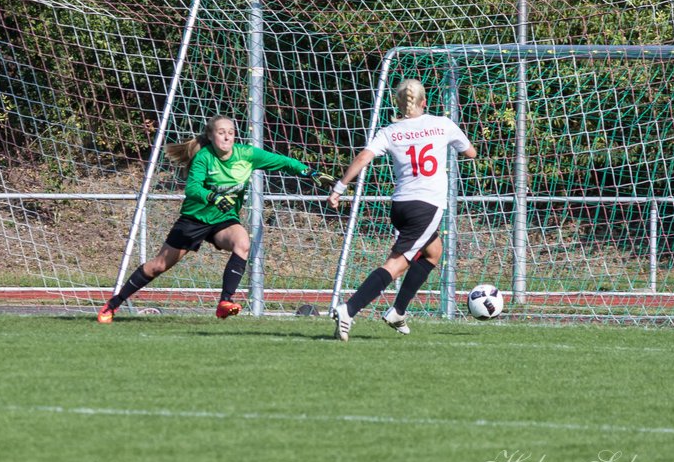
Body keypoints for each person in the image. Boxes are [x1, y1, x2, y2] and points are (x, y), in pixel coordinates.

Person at [98, 115, 332, 323]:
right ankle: (113, 304)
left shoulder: (247, 154)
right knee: (158, 266)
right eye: (221, 132)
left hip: (224, 219)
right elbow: (192, 189)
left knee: (242, 243)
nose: (227, 136)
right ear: (211, 136)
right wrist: (212, 197)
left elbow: (283, 162)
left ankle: (224, 303)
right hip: (194, 219)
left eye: (230, 132)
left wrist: (309, 173)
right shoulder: (204, 158)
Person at [326, 78, 477, 341]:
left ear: (398, 103)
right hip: (426, 207)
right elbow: (471, 153)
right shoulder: (442, 124)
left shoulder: (390, 131)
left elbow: (363, 157)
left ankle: (398, 311)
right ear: (424, 102)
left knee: (433, 251)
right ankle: (349, 309)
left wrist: (339, 187)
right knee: (396, 264)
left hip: (400, 206)